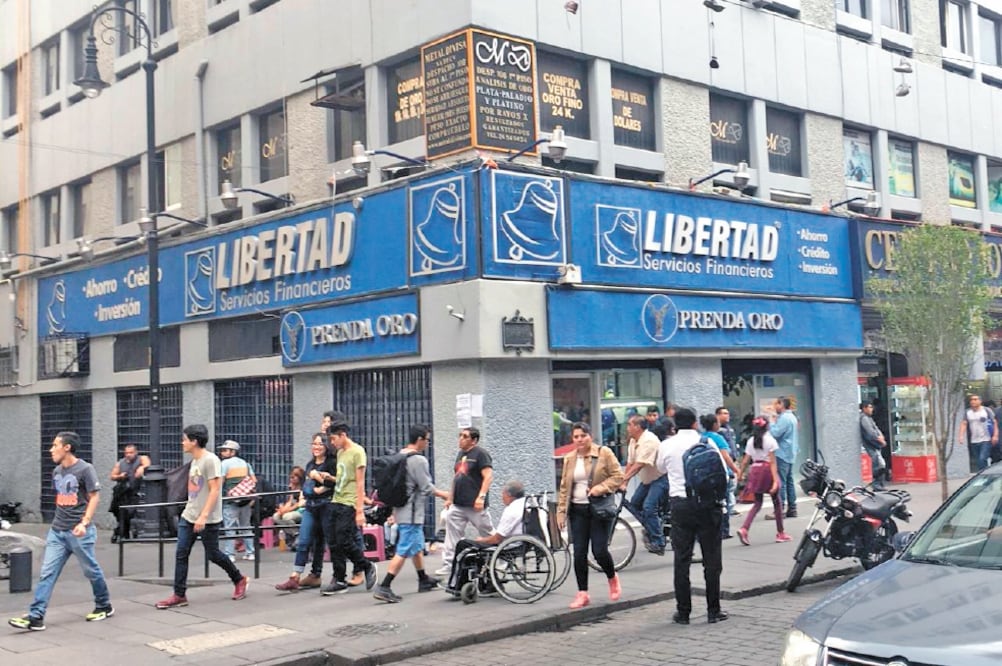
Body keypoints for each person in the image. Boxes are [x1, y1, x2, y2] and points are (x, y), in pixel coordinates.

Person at [8, 432, 112, 631]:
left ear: (67, 448)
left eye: (55, 445)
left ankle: (104, 605)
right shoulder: (57, 471)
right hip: (57, 531)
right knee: (47, 573)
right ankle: (36, 616)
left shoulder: (85, 469)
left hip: (79, 532)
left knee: (91, 571)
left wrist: (85, 522)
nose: (51, 449)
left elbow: (94, 497)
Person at [157, 424, 249, 609]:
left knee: (213, 554)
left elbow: (215, 490)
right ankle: (179, 594)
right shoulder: (195, 461)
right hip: (189, 515)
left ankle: (239, 579)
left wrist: (203, 516)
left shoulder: (210, 460)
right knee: (181, 553)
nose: (182, 443)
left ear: (194, 441)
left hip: (207, 518)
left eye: (185, 439)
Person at [656, 408, 727, 625]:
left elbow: (660, 468)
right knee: (711, 558)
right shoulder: (707, 442)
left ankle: (683, 612)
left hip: (681, 506)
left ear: (674, 425)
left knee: (682, 559)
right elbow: (722, 470)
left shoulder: (666, 445)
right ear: (695, 423)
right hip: (707, 505)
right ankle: (713, 610)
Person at [373, 424, 450, 603]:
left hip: (402, 509)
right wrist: (445, 494)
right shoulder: (418, 460)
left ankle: (423, 579)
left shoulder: (402, 455)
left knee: (416, 545)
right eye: (427, 440)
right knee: (404, 548)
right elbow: (426, 487)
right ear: (420, 439)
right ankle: (384, 585)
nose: (428, 444)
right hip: (412, 512)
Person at [557, 422, 624, 609]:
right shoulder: (569, 458)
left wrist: (599, 488)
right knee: (579, 553)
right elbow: (564, 487)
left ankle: (612, 578)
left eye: (583, 436)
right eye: (576, 436)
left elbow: (618, 476)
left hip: (599, 509)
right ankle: (582, 593)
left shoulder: (604, 453)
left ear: (590, 436)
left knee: (599, 551)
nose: (579, 440)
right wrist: (560, 513)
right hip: (577, 511)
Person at [275, 434, 336, 592]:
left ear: (327, 446)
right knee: (304, 541)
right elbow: (308, 488)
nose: (316, 447)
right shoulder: (310, 464)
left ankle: (318, 574)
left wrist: (318, 483)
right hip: (311, 506)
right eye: (314, 444)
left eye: (320, 444)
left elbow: (333, 484)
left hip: (327, 506)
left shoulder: (332, 463)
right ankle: (295, 576)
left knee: (323, 542)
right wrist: (317, 485)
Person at [445, 479, 530, 591]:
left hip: (510, 545)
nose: (501, 497)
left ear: (509, 495)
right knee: (479, 549)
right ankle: (489, 583)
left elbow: (497, 538)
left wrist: (482, 540)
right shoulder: (526, 504)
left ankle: (456, 585)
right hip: (523, 542)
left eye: (502, 494)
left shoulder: (511, 510)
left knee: (463, 545)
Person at [323, 419, 377, 595]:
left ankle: (366, 566)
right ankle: (339, 578)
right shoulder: (340, 453)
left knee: (344, 539)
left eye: (333, 439)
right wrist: (330, 478)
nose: (332, 443)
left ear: (343, 435)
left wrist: (359, 510)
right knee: (333, 541)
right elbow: (342, 477)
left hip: (350, 502)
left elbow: (360, 482)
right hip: (337, 499)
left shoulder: (357, 452)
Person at [435, 427, 495, 576]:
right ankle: (450, 564)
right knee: (452, 534)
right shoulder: (460, 454)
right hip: (458, 504)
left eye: (465, 436)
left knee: (487, 531)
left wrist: (481, 497)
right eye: (460, 435)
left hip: (475, 505)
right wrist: (450, 498)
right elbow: (457, 477)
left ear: (474, 440)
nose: (460, 438)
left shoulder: (481, 454)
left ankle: (499, 556)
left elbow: (488, 476)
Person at [736, 416, 790, 545]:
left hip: (755, 470)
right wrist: (775, 480)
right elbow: (772, 462)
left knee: (757, 502)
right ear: (767, 426)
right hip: (766, 470)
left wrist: (740, 473)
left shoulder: (751, 441)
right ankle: (780, 532)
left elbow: (745, 460)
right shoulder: (770, 440)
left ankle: (744, 528)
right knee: (777, 502)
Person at [620, 415, 668, 555]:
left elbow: (639, 464)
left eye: (630, 424)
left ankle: (659, 542)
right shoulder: (633, 441)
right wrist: (624, 482)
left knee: (648, 507)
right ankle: (652, 528)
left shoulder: (649, 440)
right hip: (647, 480)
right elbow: (630, 463)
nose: (627, 427)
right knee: (634, 504)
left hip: (660, 478)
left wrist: (625, 480)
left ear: (638, 427)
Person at [701, 414, 740, 539]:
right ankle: (724, 530)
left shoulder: (701, 438)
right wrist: (736, 470)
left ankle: (710, 529)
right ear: (714, 424)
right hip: (721, 474)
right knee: (725, 502)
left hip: (706, 475)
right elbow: (725, 456)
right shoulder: (718, 438)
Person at [218, 440, 257, 562]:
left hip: (230, 500)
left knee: (230, 528)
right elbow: (254, 480)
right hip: (245, 500)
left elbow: (220, 482)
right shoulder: (245, 463)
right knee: (246, 526)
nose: (222, 452)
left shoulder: (224, 464)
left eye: (225, 450)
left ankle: (230, 554)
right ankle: (250, 552)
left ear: (232, 451)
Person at [109, 443, 150, 543]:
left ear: (136, 452)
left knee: (130, 512)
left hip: (133, 492)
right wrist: (120, 476)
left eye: (131, 452)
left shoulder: (141, 458)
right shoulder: (121, 463)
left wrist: (142, 468)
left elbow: (147, 463)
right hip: (122, 492)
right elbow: (112, 476)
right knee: (119, 512)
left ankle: (121, 532)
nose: (128, 455)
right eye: (126, 453)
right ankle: (122, 532)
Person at [770, 397, 799, 519]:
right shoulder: (792, 417)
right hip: (790, 452)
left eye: (776, 404)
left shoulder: (784, 418)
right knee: (789, 481)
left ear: (781, 404)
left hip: (782, 453)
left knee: (780, 481)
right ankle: (792, 508)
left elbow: (775, 433)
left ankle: (779, 510)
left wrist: (771, 423)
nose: (774, 407)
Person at [959, 394, 998, 472]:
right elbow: (964, 423)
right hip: (974, 441)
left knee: (982, 458)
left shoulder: (986, 410)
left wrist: (995, 435)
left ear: (980, 401)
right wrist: (961, 436)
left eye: (975, 399)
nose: (973, 401)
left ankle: (985, 475)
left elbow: (994, 422)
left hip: (986, 439)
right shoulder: (968, 412)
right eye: (971, 400)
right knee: (978, 461)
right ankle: (984, 474)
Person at [715, 407, 740, 516]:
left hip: (732, 459)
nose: (727, 415)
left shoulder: (729, 429)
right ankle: (727, 509)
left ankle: (731, 507)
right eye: (724, 413)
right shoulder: (718, 431)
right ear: (718, 415)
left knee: (732, 485)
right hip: (724, 461)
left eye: (727, 413)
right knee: (727, 485)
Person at [273, 466, 306, 546]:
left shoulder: (304, 486)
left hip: (303, 510)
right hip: (294, 510)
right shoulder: (293, 486)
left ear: (300, 477)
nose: (292, 478)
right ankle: (294, 533)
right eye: (291, 476)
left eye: (295, 476)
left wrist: (286, 510)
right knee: (276, 516)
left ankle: (298, 534)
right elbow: (290, 501)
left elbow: (299, 504)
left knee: (286, 517)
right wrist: (282, 510)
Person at [859, 401, 888, 490]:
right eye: (870, 407)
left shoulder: (868, 418)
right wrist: (880, 440)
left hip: (875, 444)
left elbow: (876, 428)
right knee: (879, 465)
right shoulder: (864, 419)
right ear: (864, 408)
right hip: (871, 444)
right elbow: (870, 432)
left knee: (880, 464)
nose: (872, 409)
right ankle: (877, 485)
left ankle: (879, 484)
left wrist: (881, 436)